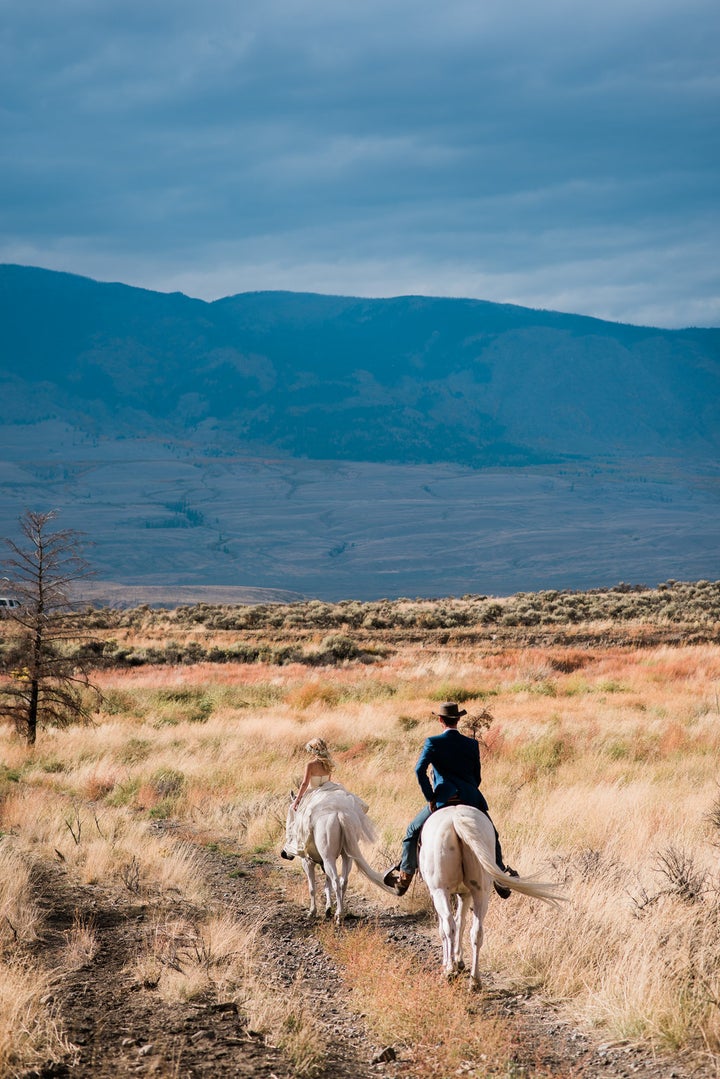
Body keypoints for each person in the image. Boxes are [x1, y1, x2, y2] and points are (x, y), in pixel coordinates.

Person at [383, 702, 517, 897]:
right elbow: (477, 776)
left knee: (412, 831)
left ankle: (404, 879)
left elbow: (419, 770)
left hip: (443, 799)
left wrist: (431, 796)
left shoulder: (433, 742)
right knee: (492, 835)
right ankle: (500, 875)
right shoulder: (471, 744)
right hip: (470, 798)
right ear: (459, 719)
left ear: (440, 720)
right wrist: (468, 791)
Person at [281, 737, 368, 859]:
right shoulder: (328, 763)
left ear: (314, 750)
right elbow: (328, 781)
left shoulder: (310, 765)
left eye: (311, 750)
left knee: (293, 810)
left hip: (314, 792)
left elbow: (305, 784)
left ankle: (292, 844)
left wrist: (297, 800)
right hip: (328, 789)